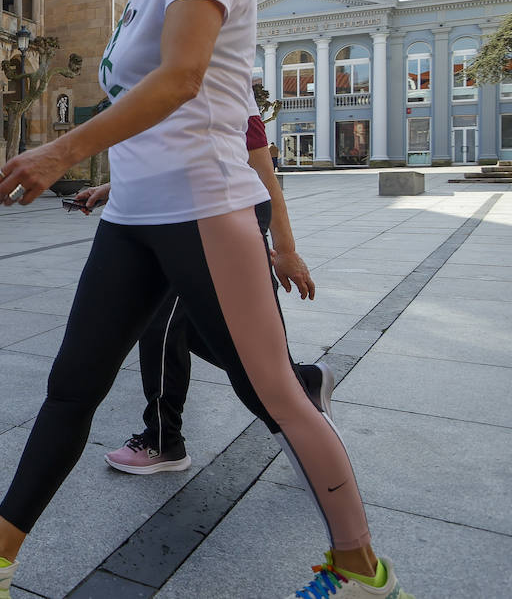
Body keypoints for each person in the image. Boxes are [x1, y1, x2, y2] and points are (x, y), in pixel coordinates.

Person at [0, 0, 411, 599]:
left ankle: (361, 569)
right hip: (138, 212)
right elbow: (163, 106)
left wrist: (60, 153)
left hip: (203, 205)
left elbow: (181, 81)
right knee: (73, 383)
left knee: (274, 392)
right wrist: (114, 182)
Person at [79, 111, 330, 475]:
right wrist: (112, 190)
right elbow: (174, 167)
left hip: (219, 239)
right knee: (200, 336)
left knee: (160, 328)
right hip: (173, 235)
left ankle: (164, 439)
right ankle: (301, 382)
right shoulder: (174, 90)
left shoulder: (228, 91)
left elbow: (264, 177)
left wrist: (286, 250)